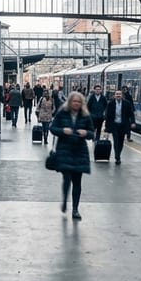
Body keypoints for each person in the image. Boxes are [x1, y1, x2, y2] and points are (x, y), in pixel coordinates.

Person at [50, 91, 94, 220]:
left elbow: (92, 134)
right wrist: (63, 131)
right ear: (69, 102)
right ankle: (64, 200)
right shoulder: (62, 113)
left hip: (79, 152)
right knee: (67, 178)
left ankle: (75, 209)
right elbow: (53, 128)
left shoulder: (85, 116)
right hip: (64, 150)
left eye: (79, 102)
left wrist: (86, 133)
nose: (76, 104)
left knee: (77, 182)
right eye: (74, 101)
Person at [105, 89, 136, 165]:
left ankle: (118, 153)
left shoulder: (127, 103)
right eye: (116, 94)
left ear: (122, 95)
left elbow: (131, 114)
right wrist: (106, 127)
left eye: (119, 94)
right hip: (114, 125)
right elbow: (107, 116)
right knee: (116, 141)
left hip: (123, 125)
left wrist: (133, 122)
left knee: (121, 142)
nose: (118, 95)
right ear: (114, 95)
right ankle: (117, 157)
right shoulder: (110, 104)